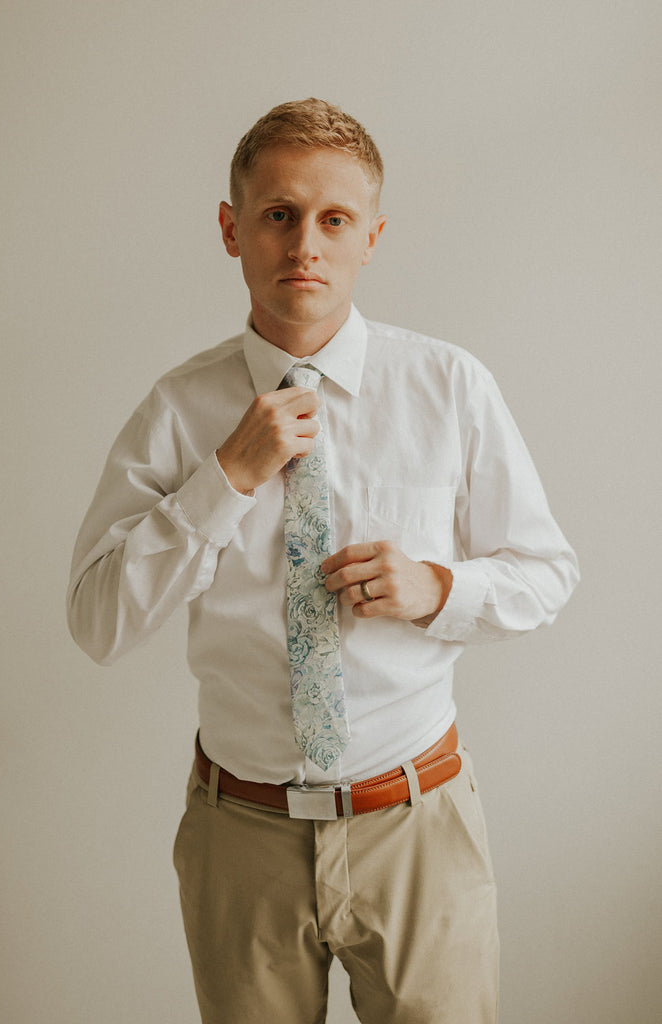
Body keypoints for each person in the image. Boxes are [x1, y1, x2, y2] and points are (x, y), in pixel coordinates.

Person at [67, 98, 579, 1024]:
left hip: (417, 826)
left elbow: (547, 572)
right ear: (232, 230)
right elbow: (97, 620)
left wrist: (441, 589)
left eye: (334, 219)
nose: (305, 242)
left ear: (371, 236)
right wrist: (223, 478)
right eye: (278, 214)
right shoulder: (182, 413)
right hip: (241, 837)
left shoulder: (449, 387)